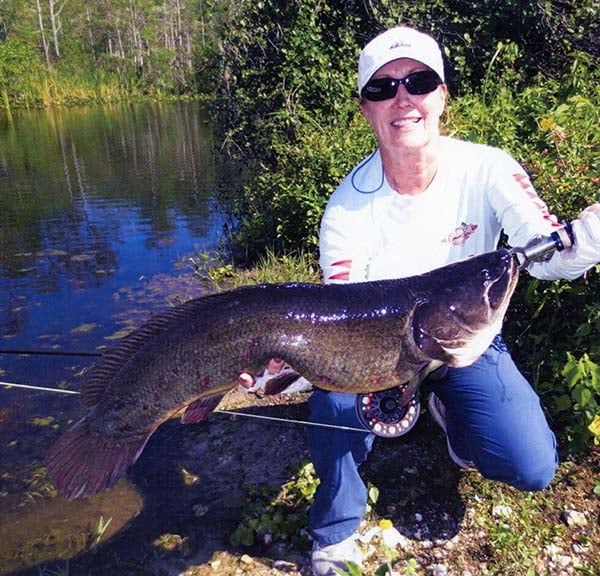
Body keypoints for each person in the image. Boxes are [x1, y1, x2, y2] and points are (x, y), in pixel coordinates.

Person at [305, 26, 600, 576]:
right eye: (382, 88)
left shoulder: (488, 167)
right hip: (379, 351)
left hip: (467, 341)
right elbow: (338, 314)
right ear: (366, 110)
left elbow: (543, 254)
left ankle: (450, 414)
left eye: (419, 81)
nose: (403, 99)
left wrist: (587, 241)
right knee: (333, 402)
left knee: (531, 465)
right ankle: (335, 532)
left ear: (442, 95)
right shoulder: (346, 208)